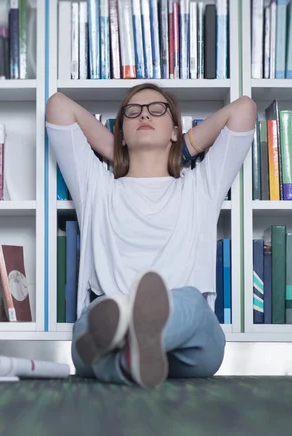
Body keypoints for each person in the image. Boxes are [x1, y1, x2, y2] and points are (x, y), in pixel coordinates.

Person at [45, 83, 257, 388]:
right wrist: (120, 151)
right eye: (133, 112)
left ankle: (133, 340)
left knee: (190, 303)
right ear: (120, 132)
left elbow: (244, 109)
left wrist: (179, 149)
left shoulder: (200, 188)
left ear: (174, 129)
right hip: (111, 311)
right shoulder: (97, 188)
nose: (144, 114)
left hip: (188, 341)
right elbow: (58, 106)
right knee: (91, 327)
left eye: (157, 109)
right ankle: (135, 356)